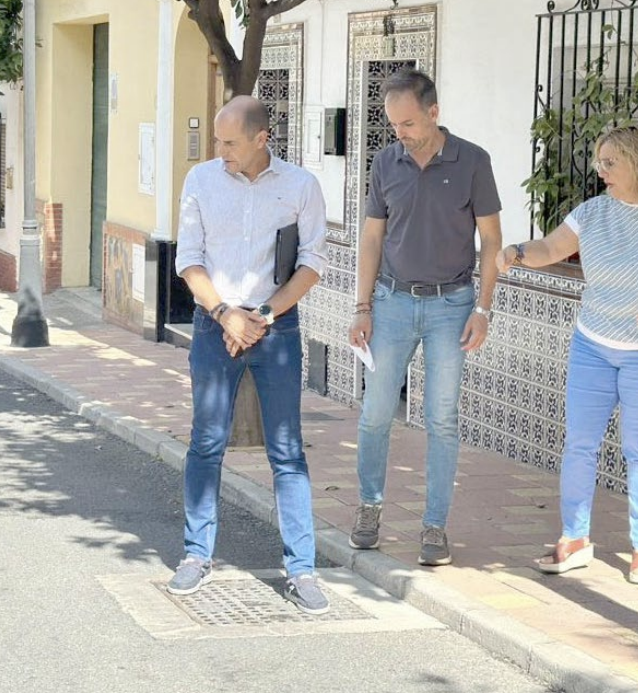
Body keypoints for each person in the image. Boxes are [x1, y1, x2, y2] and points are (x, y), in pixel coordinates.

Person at [496, 123, 638, 584]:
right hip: (592, 345)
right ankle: (574, 538)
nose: (600, 171)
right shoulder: (593, 212)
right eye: (599, 162)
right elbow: (552, 247)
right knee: (579, 444)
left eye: (609, 162)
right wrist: (518, 251)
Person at [170, 96, 330, 614]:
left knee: (287, 449)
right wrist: (224, 315)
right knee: (206, 442)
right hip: (214, 323)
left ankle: (302, 569)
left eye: (230, 142)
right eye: (218, 141)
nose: (220, 152)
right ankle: (196, 555)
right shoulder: (201, 181)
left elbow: (312, 263)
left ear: (262, 139)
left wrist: (260, 314)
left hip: (275, 328)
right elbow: (188, 259)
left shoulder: (301, 186)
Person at [347, 70, 502, 566]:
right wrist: (362, 305)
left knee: (441, 418)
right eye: (394, 124)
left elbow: (492, 241)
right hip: (391, 303)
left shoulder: (473, 161)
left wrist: (483, 308)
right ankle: (370, 507)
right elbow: (372, 237)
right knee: (374, 416)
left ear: (434, 113)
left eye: (409, 123)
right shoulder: (385, 162)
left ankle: (434, 526)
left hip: (451, 306)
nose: (401, 133)